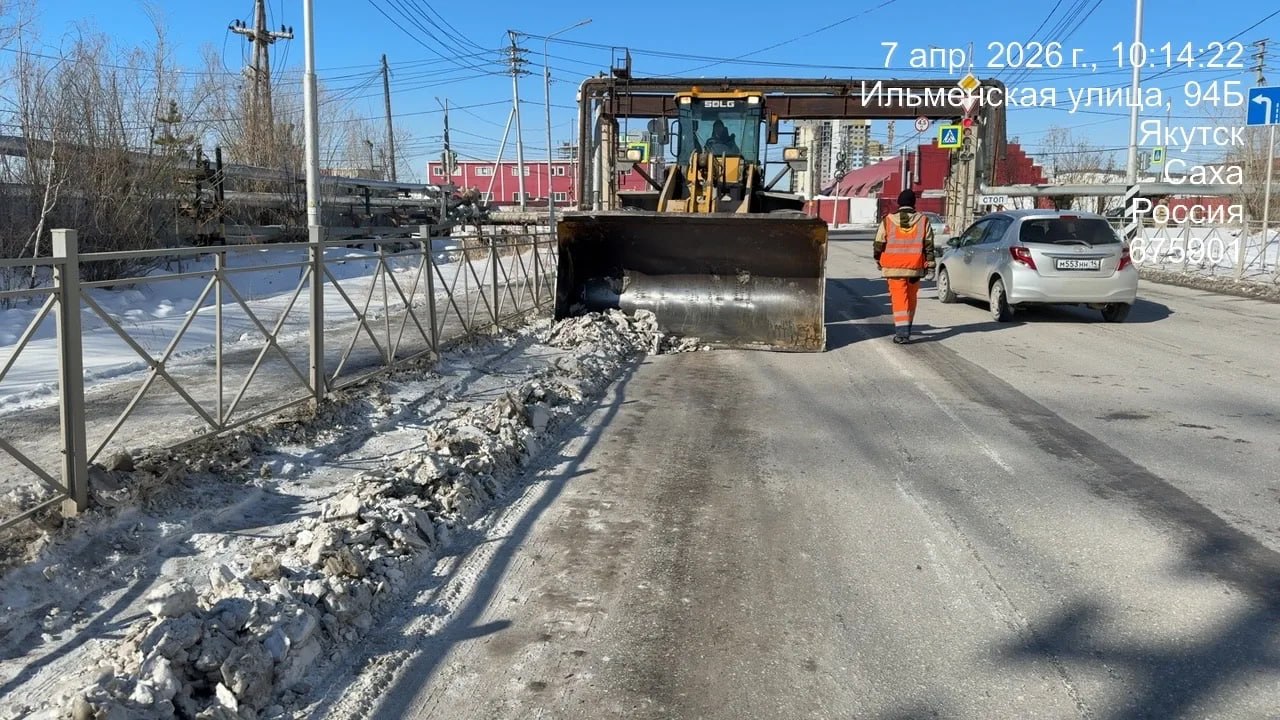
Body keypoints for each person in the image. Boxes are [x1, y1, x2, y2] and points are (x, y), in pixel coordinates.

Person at [873, 188, 936, 344]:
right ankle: (907, 326)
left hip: (894, 268)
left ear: (899, 203)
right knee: (911, 298)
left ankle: (902, 333)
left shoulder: (888, 220)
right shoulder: (923, 220)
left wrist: (878, 259)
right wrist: (930, 265)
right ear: (913, 203)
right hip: (915, 268)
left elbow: (879, 243)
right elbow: (928, 245)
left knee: (899, 298)